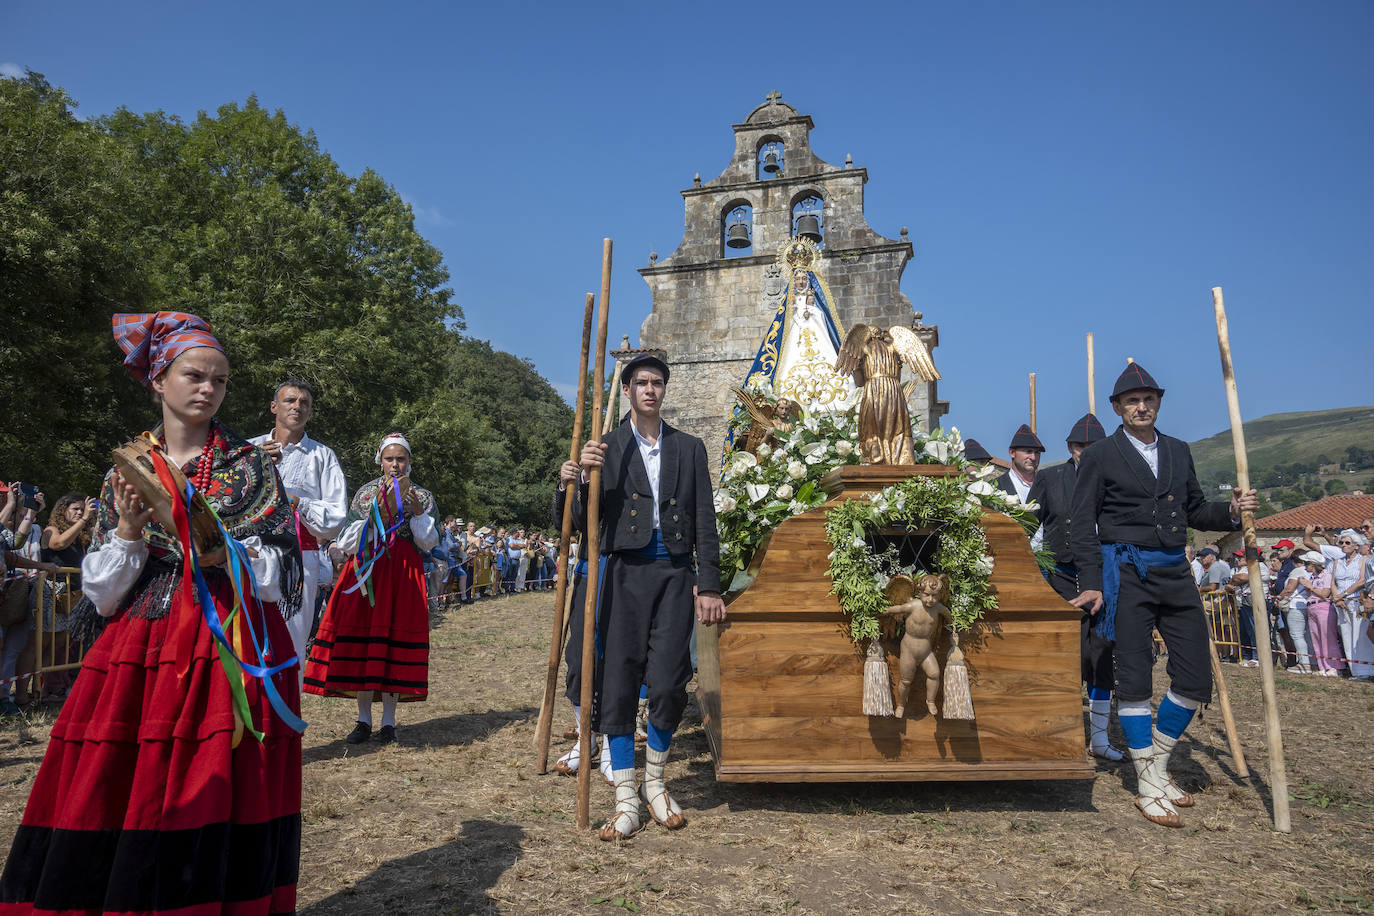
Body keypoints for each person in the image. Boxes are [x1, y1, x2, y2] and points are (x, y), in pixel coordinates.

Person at [0, 311, 304, 913]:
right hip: (143, 644)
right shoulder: (129, 465)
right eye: (194, 375)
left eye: (219, 380)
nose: (208, 389)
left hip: (232, 642)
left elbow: (279, 572)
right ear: (158, 380)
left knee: (219, 780)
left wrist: (223, 551)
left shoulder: (252, 466)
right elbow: (104, 594)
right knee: (118, 783)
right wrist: (129, 532)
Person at [1069, 362, 1256, 828]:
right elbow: (1081, 526)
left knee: (1194, 678)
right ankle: (1148, 781)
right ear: (1117, 407)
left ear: (1158, 403)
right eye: (1132, 400)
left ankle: (1156, 762)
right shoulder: (1100, 455)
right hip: (1124, 572)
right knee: (1132, 677)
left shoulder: (1177, 450)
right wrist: (1091, 582)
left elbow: (1195, 509)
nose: (1141, 406)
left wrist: (1231, 512)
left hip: (1174, 571)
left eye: (1149, 399)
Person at [574, 353, 724, 840]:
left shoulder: (690, 448)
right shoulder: (606, 447)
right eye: (641, 383)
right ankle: (624, 798)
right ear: (627, 391)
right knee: (617, 680)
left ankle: (655, 784)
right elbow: (580, 524)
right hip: (623, 576)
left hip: (676, 577)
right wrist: (577, 483)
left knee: (667, 681)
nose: (650, 390)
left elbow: (706, 520)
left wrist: (709, 583)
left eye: (657, 383)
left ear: (664, 390)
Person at [304, 432, 437, 745]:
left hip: (403, 573)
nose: (395, 464)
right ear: (381, 461)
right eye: (389, 459)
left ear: (409, 462)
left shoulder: (422, 496)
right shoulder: (365, 495)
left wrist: (417, 513)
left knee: (392, 642)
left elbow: (429, 542)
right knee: (364, 641)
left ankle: (388, 723)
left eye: (400, 459)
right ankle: (363, 721)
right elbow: (348, 541)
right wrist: (375, 514)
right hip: (366, 569)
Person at [1027, 412, 1121, 761]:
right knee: (1067, 655)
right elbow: (1025, 525)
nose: (1086, 451)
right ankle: (1058, 732)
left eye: (1093, 446)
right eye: (1080, 445)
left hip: (1106, 575)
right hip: (1061, 578)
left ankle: (1099, 741)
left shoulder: (1116, 480)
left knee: (1102, 654)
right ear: (1070, 447)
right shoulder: (1051, 478)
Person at [252, 380, 348, 686]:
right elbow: (222, 502)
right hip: (248, 554)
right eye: (290, 400)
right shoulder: (248, 449)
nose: (297, 406)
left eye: (304, 402)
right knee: (245, 636)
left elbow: (334, 518)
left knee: (290, 639)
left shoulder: (322, 456)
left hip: (298, 558)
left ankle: (284, 725)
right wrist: (257, 467)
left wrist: (298, 502)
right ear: (274, 407)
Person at [1306, 526, 1372, 679]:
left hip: (1356, 599)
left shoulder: (1363, 560)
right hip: (1340, 602)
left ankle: (1366, 671)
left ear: (1356, 545)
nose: (1343, 545)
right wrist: (1337, 597)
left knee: (1359, 634)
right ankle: (1355, 670)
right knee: (1346, 634)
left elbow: (1361, 580)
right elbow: (1333, 581)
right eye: (1341, 542)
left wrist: (1344, 594)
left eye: (1347, 543)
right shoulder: (1337, 561)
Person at [1292, 551, 1341, 676]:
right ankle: (1322, 666)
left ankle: (1333, 667)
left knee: (1327, 638)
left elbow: (1325, 593)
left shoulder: (1326, 575)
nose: (1305, 566)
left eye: (1307, 563)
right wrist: (1308, 586)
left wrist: (1310, 586)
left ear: (1313, 564)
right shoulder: (1312, 577)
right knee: (1316, 638)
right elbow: (1310, 594)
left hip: (1323, 607)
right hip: (1312, 606)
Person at [996, 425, 1044, 507]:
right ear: (1012, 453)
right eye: (1028, 451)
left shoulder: (1047, 485)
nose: (1033, 457)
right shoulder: (997, 487)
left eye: (1037, 453)